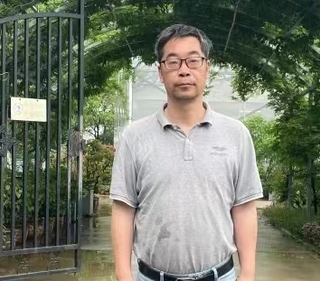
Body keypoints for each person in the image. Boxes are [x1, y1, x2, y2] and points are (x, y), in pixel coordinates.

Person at [109, 24, 263, 281]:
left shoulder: (236, 134)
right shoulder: (134, 137)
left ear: (206, 68)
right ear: (160, 72)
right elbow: (124, 209)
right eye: (173, 62)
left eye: (193, 60)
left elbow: (244, 207)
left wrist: (248, 273)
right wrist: (124, 275)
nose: (184, 70)